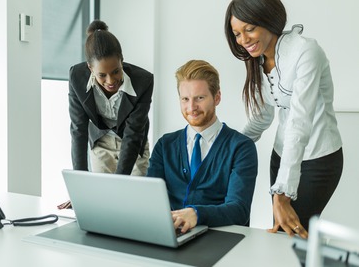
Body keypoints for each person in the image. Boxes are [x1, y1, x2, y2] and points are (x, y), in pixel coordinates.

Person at [224, 0, 343, 239]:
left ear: (268, 20)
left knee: (292, 235)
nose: (243, 39)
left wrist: (282, 193)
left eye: (249, 29)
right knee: (282, 236)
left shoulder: (306, 52)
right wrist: (228, 147)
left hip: (318, 158)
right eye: (236, 33)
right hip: (281, 156)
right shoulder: (257, 60)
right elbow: (262, 117)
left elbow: (300, 121)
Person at [147, 59, 258, 233]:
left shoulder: (241, 147)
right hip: (171, 236)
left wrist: (197, 214)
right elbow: (150, 199)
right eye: (185, 99)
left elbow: (239, 210)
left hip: (220, 239)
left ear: (217, 97)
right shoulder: (165, 145)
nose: (191, 107)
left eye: (199, 98)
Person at [68, 19, 153, 174]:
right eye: (102, 75)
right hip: (101, 142)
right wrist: (79, 178)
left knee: (136, 194)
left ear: (121, 59)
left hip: (133, 142)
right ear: (90, 68)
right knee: (103, 195)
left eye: (116, 71)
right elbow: (78, 129)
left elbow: (134, 133)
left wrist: (120, 180)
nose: (110, 81)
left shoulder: (143, 81)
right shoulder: (77, 77)